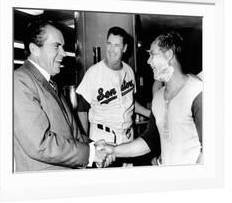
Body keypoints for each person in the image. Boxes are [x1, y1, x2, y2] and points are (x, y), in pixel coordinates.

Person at [14, 16, 114, 172]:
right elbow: (40, 144)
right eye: (56, 46)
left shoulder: (50, 82)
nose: (64, 53)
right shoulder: (19, 81)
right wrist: (91, 154)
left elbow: (71, 131)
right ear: (35, 49)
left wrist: (92, 146)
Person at [100, 31, 203, 166]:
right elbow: (149, 141)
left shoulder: (197, 91)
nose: (148, 61)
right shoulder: (158, 98)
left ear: (169, 55)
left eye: (152, 54)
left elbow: (212, 150)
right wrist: (113, 150)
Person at [76, 26, 150, 166]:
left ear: (125, 48)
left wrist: (150, 113)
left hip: (128, 138)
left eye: (116, 45)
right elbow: (82, 110)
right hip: (103, 138)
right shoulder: (94, 73)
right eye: (109, 43)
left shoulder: (129, 71)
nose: (111, 49)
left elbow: (130, 102)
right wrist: (86, 144)